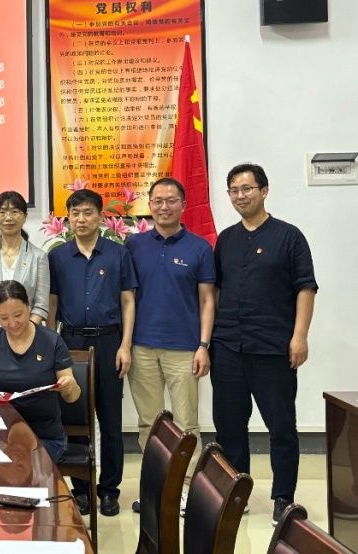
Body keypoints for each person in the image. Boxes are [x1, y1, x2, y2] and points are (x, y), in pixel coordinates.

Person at [212, 163, 318, 523]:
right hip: (228, 347)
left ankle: (282, 498)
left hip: (273, 348)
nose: (240, 196)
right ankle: (236, 494)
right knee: (229, 427)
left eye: (247, 189)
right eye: (234, 190)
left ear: (264, 191)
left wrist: (299, 336)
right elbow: (217, 290)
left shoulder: (289, 237)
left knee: (281, 428)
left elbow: (306, 287)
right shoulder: (226, 239)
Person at [125, 178, 215, 513]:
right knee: (149, 424)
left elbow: (207, 300)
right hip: (142, 347)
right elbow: (126, 298)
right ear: (149, 205)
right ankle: (155, 487)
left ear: (183, 205)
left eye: (171, 200)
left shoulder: (199, 248)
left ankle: (186, 488)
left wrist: (203, 345)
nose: (164, 207)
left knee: (186, 423)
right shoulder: (133, 246)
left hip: (184, 348)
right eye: (158, 200)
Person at [47, 188, 137, 517]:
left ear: (100, 216)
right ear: (68, 219)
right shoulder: (58, 256)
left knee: (111, 420)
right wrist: (51, 346)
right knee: (75, 418)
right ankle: (82, 489)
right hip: (70, 343)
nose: (81, 219)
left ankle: (109, 490)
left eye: (88, 212)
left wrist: (125, 345)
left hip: (109, 341)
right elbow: (52, 304)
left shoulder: (117, 254)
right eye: (75, 214)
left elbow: (128, 301)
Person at [0, 280, 80, 462]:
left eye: (18, 315)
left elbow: (72, 396)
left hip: (43, 437)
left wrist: (69, 386)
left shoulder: (51, 341)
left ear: (28, 306)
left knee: (19, 466)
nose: (12, 323)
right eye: (4, 318)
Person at [0, 190, 50, 332]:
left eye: (14, 212)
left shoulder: (39, 257)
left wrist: (25, 333)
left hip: (29, 334)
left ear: (25, 217)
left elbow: (41, 305)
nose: (8, 218)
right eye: (2, 212)